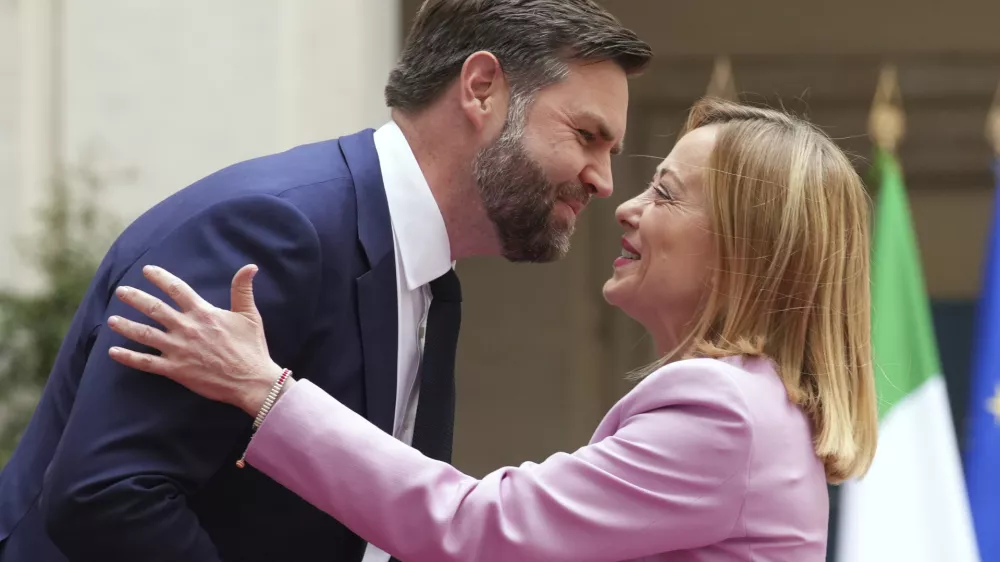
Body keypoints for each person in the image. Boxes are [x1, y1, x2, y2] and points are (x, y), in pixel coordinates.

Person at [0, 1, 652, 560]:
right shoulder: (273, 230)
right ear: (481, 88)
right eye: (587, 136)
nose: (604, 180)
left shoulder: (430, 276)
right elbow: (107, 494)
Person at [105, 97, 880, 561]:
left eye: (668, 195)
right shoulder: (755, 409)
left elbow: (483, 532)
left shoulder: (724, 413)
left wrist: (262, 389)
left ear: (745, 248)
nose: (628, 205)